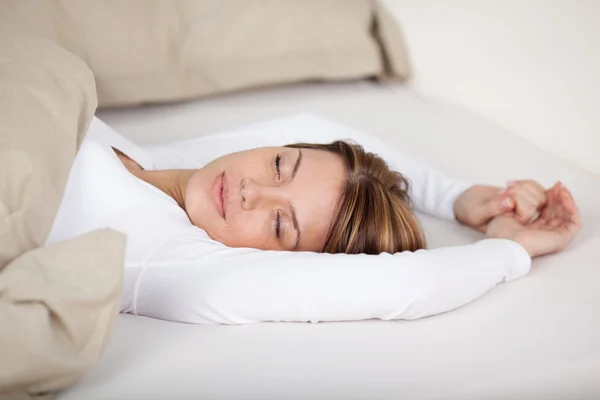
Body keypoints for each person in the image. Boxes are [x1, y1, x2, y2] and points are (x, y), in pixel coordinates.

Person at [47, 114, 581, 324]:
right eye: (281, 163)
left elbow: (413, 281)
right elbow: (314, 126)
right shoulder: (167, 166)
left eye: (282, 226)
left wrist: (511, 248)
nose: (252, 191)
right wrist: (457, 196)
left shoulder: (167, 260)